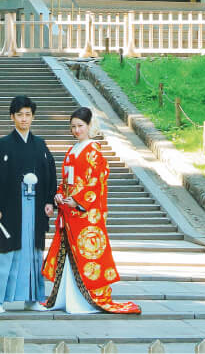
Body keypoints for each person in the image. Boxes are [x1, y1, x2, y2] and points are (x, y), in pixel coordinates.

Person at [41, 106, 141, 314]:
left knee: (88, 255)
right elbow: (66, 181)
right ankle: (67, 297)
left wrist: (76, 200)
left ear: (89, 126)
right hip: (69, 210)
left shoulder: (94, 150)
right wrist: (59, 194)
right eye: (73, 127)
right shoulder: (72, 150)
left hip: (84, 213)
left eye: (80, 126)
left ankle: (86, 299)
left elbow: (96, 182)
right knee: (69, 254)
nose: (77, 130)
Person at [0, 95, 58, 314]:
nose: (24, 119)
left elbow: (50, 174)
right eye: (20, 115)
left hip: (35, 208)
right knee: (8, 252)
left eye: (28, 115)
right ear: (12, 117)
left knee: (34, 253)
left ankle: (33, 298)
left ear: (33, 117)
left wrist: (48, 201)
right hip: (11, 208)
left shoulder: (40, 145)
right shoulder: (3, 145)